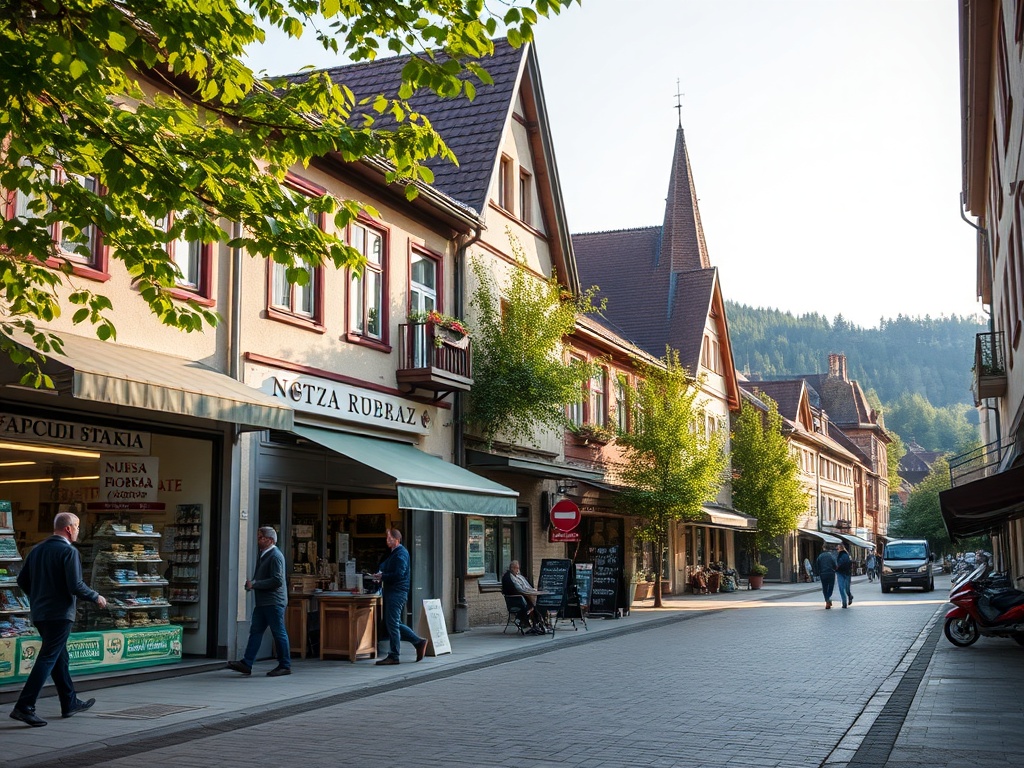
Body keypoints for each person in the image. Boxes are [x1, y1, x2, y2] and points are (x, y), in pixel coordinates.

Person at [10, 512, 107, 728]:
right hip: (60, 614)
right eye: (78, 527)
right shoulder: (68, 551)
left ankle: (69, 701)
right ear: (69, 528)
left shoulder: (37, 550)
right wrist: (96, 596)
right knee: (48, 658)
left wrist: (37, 598)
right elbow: (76, 585)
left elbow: (22, 580)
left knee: (59, 657)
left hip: (41, 614)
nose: (79, 531)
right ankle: (24, 706)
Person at [227, 526, 291, 677]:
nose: (258, 540)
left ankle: (285, 664)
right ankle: (247, 663)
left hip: (273, 601)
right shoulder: (264, 554)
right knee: (255, 631)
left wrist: (255, 584)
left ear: (269, 540)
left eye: (260, 537)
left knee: (278, 632)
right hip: (264, 601)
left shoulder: (275, 556)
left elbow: (277, 580)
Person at [373, 529, 427, 665]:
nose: (387, 540)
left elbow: (399, 574)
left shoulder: (401, 553)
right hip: (394, 591)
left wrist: (383, 576)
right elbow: (387, 567)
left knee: (392, 623)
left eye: (389, 538)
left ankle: (394, 655)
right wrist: (381, 573)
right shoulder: (394, 553)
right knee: (394, 622)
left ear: (396, 539)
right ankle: (418, 642)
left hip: (396, 592)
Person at [502, 560, 546, 634]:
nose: (518, 570)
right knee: (533, 605)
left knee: (534, 605)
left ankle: (536, 624)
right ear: (512, 568)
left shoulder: (517, 576)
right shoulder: (509, 577)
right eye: (516, 568)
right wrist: (531, 591)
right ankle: (533, 623)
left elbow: (524, 587)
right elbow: (519, 589)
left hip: (519, 598)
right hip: (516, 600)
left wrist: (531, 591)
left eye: (518, 568)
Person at [815, 545, 838, 609]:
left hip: (823, 574)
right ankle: (828, 599)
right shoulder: (831, 556)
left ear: (823, 548)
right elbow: (835, 565)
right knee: (831, 587)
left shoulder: (820, 556)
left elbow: (817, 565)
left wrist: (818, 573)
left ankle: (827, 600)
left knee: (824, 588)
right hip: (831, 573)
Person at [835, 543, 853, 608]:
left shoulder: (844, 555)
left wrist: (836, 567)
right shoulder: (846, 555)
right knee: (844, 588)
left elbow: (839, 564)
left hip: (842, 573)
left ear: (840, 548)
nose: (837, 550)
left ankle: (848, 597)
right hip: (846, 573)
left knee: (843, 588)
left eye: (838, 548)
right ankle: (844, 602)